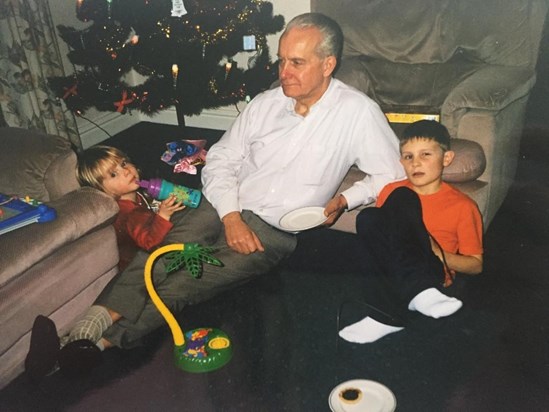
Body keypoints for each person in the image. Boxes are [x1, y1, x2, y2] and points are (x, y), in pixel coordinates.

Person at [26, 12, 404, 379]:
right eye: (281, 60)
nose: (283, 72)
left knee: (185, 283)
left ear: (328, 64)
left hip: (274, 232)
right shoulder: (265, 104)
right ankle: (84, 336)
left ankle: (86, 346)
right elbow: (222, 157)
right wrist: (231, 216)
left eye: (296, 62)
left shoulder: (357, 113)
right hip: (222, 204)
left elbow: (391, 172)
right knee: (157, 258)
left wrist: (345, 199)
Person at [25, 146, 185, 379]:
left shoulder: (139, 195)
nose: (125, 171)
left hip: (146, 273)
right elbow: (149, 241)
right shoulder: (126, 212)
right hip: (134, 272)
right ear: (103, 190)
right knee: (147, 305)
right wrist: (164, 217)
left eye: (123, 163)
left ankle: (60, 355)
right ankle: (77, 343)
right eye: (113, 174)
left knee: (148, 311)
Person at [338, 120, 483, 344]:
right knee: (368, 216)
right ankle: (387, 316)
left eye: (425, 154)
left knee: (404, 198)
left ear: (446, 158)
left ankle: (412, 296)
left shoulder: (463, 206)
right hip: (395, 272)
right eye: (408, 157)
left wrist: (437, 252)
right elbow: (381, 237)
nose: (416, 163)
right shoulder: (391, 190)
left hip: (430, 274)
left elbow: (475, 265)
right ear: (401, 162)